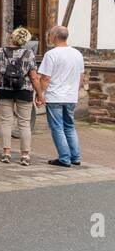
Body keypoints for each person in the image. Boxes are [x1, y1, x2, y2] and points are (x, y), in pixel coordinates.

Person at [35, 24, 85, 168]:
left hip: (55, 96)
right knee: (69, 126)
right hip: (71, 96)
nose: (49, 37)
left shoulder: (51, 54)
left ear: (55, 37)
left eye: (50, 34)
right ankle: (75, 157)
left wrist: (40, 94)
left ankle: (64, 158)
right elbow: (80, 76)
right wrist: (75, 90)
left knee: (57, 127)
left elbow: (45, 78)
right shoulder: (77, 54)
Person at [0, 26, 38, 166]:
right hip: (24, 90)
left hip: (5, 89)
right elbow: (34, 77)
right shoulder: (29, 53)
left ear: (12, 37)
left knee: (6, 122)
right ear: (25, 40)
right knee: (24, 123)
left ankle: (6, 153)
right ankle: (25, 156)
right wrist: (40, 94)